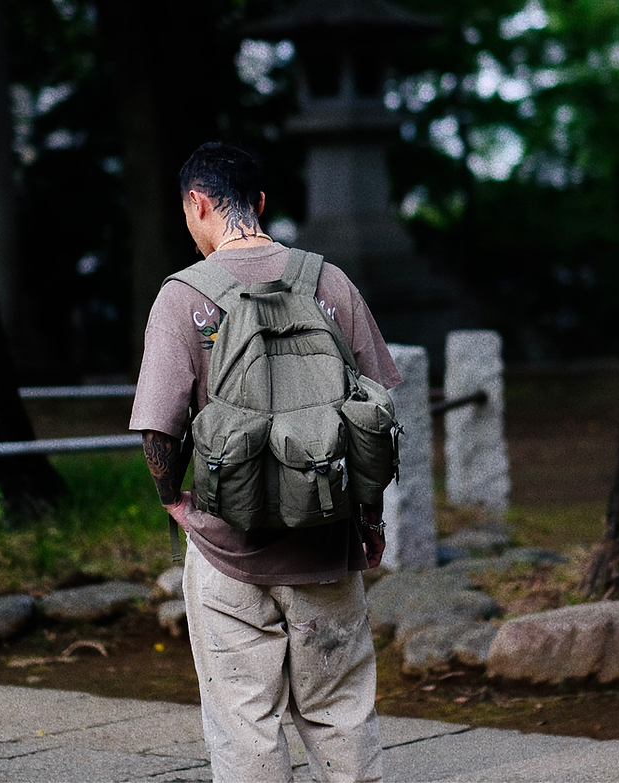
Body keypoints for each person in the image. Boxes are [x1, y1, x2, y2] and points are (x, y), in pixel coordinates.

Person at [130, 142, 401, 783]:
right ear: (259, 203)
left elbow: (158, 431)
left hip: (229, 550)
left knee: (244, 724)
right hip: (325, 542)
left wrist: (177, 503)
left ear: (197, 204)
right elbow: (375, 416)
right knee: (342, 712)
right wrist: (369, 520)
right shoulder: (328, 281)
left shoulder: (182, 299)